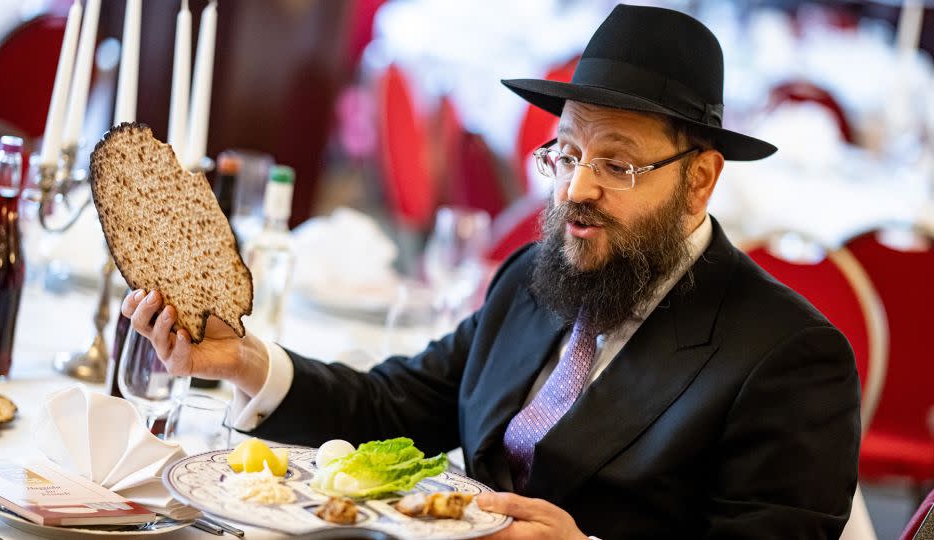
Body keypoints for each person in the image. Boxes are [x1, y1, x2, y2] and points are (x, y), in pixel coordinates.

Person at [123, 4, 860, 538]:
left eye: (616, 164)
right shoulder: (538, 278)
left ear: (700, 180)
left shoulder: (788, 359)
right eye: (565, 155)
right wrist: (246, 360)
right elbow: (392, 410)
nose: (575, 189)